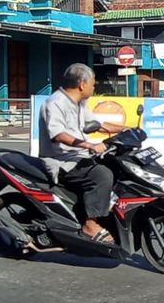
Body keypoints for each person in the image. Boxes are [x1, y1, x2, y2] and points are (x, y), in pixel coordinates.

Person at [39, 63, 124, 244]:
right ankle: (90, 225)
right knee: (102, 175)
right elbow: (58, 134)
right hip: (61, 161)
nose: (95, 87)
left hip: (79, 156)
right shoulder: (54, 103)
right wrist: (89, 145)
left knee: (116, 165)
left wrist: (130, 131)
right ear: (82, 84)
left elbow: (98, 124)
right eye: (93, 84)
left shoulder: (80, 103)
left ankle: (104, 213)